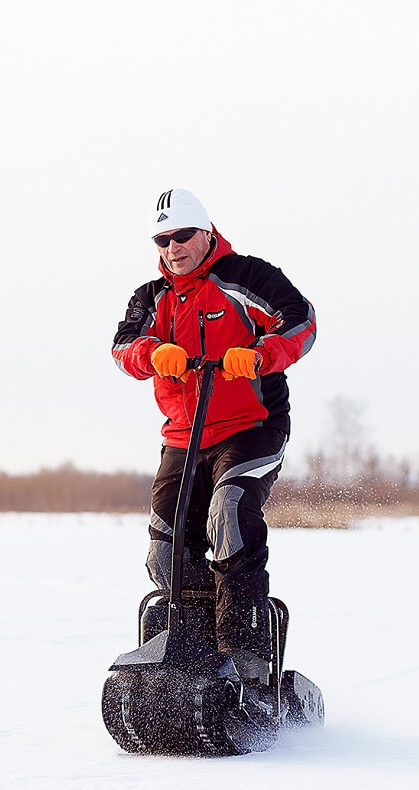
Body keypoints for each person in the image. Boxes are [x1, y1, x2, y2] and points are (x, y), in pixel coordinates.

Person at [112, 189, 316, 685]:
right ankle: (197, 647)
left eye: (182, 235)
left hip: (252, 427)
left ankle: (244, 657)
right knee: (165, 552)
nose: (172, 248)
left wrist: (262, 353)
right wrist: (151, 353)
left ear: (205, 232)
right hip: (184, 436)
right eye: (162, 240)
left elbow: (302, 320)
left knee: (227, 513)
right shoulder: (151, 297)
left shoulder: (248, 277)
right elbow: (123, 345)